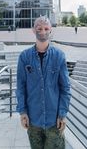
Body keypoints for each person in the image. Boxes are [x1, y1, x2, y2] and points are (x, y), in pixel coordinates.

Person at [16, 16, 71, 149]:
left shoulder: (59, 56)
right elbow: (21, 87)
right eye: (39, 28)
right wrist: (23, 112)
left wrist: (62, 114)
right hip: (33, 120)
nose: (43, 31)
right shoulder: (24, 57)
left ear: (50, 30)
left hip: (54, 121)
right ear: (33, 31)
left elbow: (65, 88)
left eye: (46, 28)